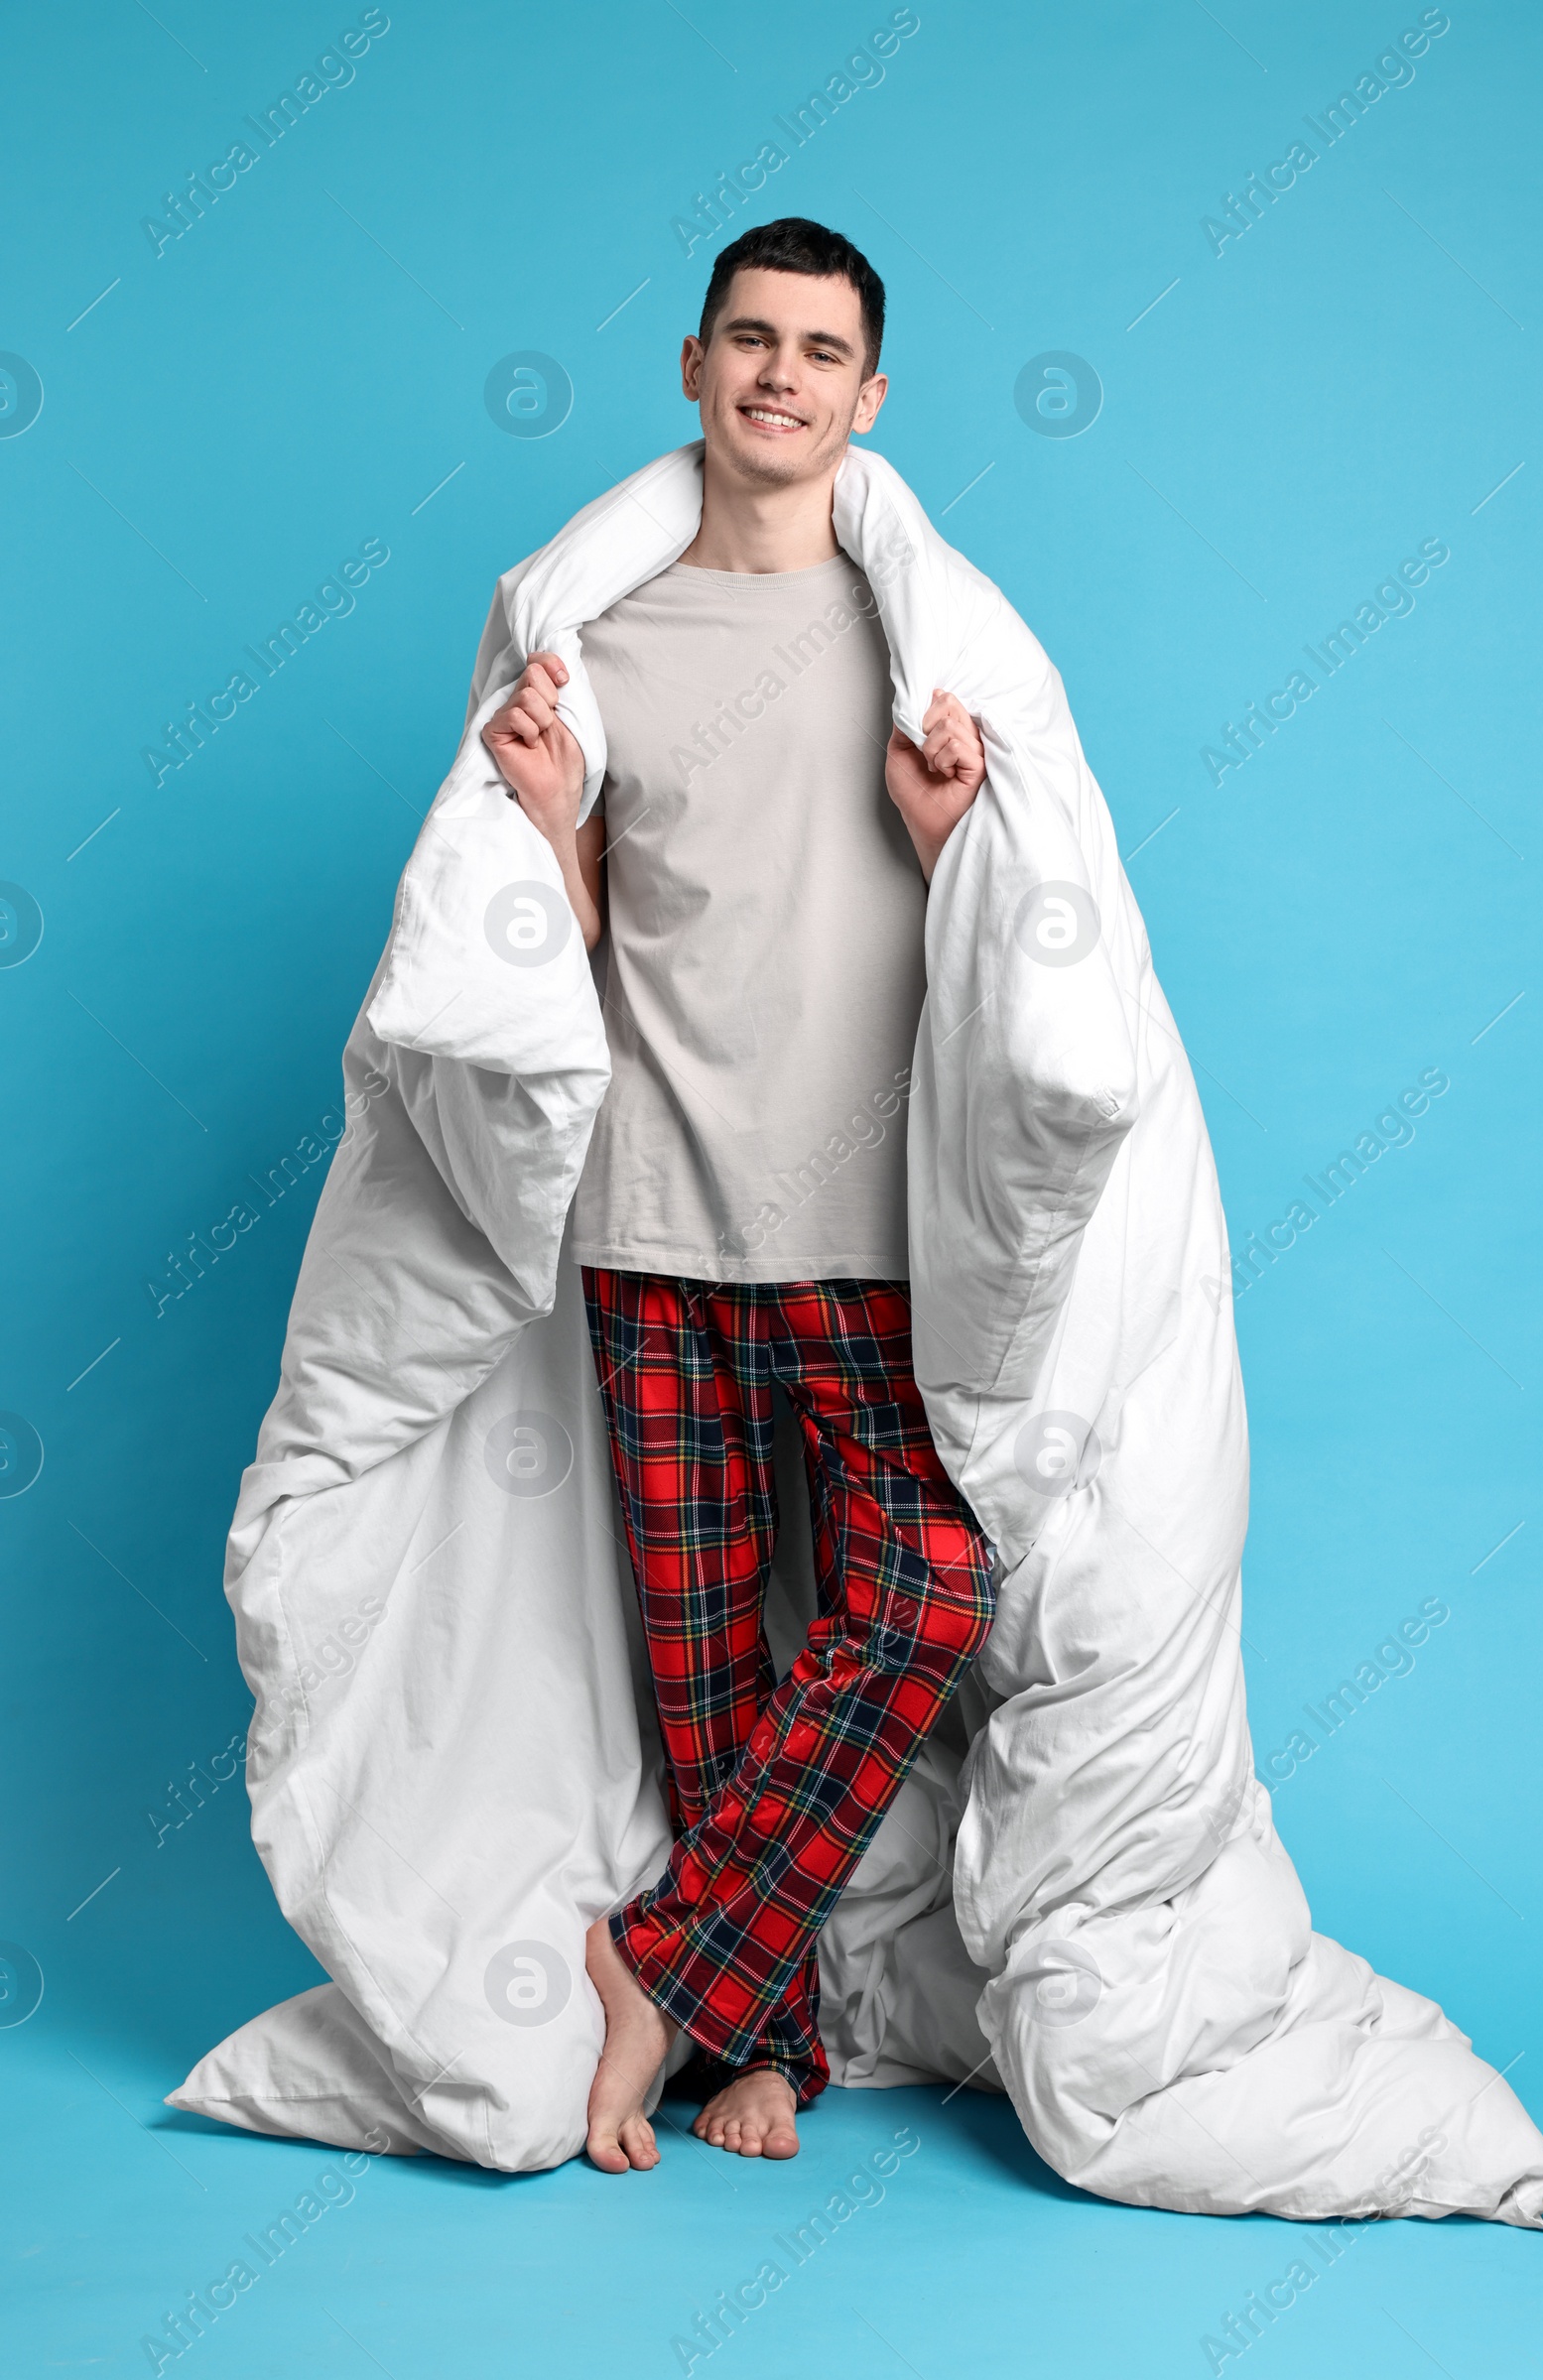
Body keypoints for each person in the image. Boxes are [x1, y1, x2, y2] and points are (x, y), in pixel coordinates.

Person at [480, 218, 994, 2175]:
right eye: (749, 342)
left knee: (915, 1585)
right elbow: (594, 952)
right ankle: (751, 2045)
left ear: (867, 402)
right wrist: (552, 831)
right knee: (703, 1655)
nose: (780, 376)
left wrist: (954, 851)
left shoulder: (925, 632)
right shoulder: (602, 640)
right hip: (648, 1215)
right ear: (691, 367)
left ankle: (664, 1960)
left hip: (854, 1228)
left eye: (820, 353)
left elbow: (1022, 961)